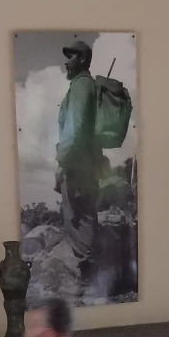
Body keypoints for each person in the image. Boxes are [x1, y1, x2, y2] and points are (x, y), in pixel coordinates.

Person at [57, 38, 107, 277]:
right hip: (86, 162)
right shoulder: (86, 85)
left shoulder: (81, 85)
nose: (66, 62)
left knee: (79, 217)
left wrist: (62, 159)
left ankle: (87, 273)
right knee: (83, 215)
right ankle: (88, 271)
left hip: (77, 164)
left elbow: (75, 127)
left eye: (71, 57)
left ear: (83, 59)